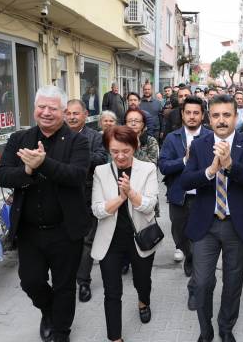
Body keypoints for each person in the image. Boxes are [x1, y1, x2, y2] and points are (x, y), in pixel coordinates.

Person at [0, 85, 90, 342]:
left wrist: (42, 163)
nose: (46, 112)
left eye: (53, 108)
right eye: (41, 107)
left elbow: (77, 175)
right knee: (30, 282)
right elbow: (1, 175)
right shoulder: (19, 139)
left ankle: (61, 331)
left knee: (64, 287)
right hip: (29, 232)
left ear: (62, 112)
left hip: (65, 231)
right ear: (35, 108)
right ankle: (48, 312)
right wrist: (26, 171)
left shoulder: (77, 141)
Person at [181, 94, 243, 342]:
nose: (221, 120)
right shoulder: (199, 145)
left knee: (232, 284)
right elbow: (185, 181)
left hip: (237, 226)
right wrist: (210, 171)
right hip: (205, 226)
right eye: (216, 115)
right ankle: (205, 330)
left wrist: (230, 165)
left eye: (226, 115)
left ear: (236, 117)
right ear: (209, 117)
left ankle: (226, 327)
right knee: (203, 283)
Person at [91, 125, 160, 342]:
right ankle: (115, 337)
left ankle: (143, 301)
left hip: (139, 238)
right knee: (112, 293)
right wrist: (120, 198)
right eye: (114, 151)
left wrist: (130, 192)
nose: (120, 156)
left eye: (125, 151)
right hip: (110, 241)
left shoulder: (147, 169)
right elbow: (98, 210)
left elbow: (149, 205)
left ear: (135, 146)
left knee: (142, 281)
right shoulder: (100, 172)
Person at [158, 95, 212, 275]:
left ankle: (196, 261)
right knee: (180, 235)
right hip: (179, 196)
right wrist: (184, 160)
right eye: (188, 112)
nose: (192, 116)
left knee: (202, 236)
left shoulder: (211, 137)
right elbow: (164, 166)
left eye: (196, 113)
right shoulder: (172, 138)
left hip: (203, 196)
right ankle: (188, 255)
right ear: (182, 114)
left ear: (203, 115)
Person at [65, 100, 108, 304]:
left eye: (76, 113)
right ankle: (64, 278)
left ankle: (83, 281)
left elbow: (101, 159)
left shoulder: (94, 137)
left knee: (87, 240)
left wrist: (79, 155)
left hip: (87, 195)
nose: (72, 117)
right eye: (68, 113)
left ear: (85, 115)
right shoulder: (58, 135)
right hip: (62, 196)